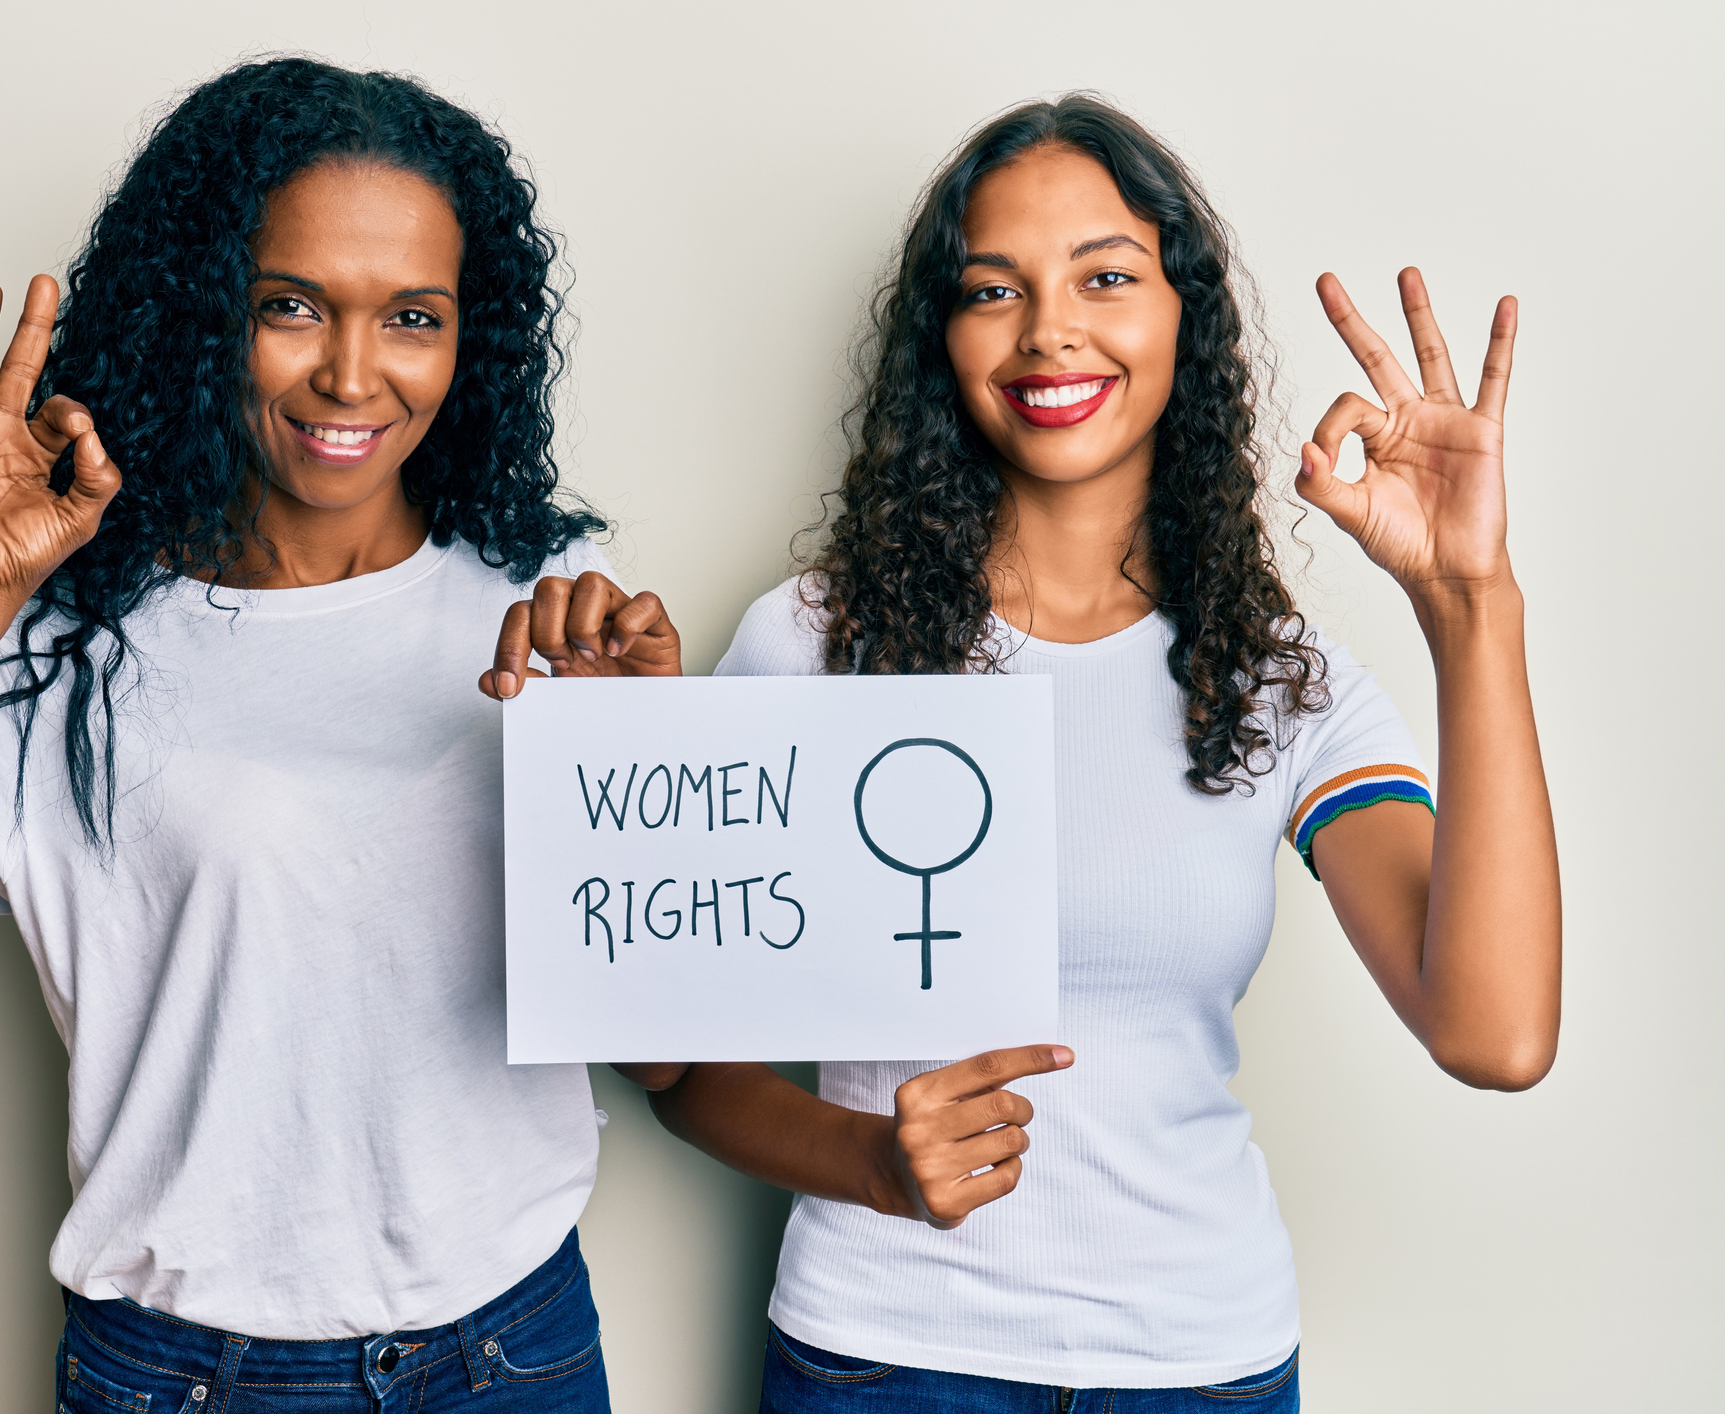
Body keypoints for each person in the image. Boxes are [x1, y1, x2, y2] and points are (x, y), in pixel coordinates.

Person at [486, 94, 1559, 1410]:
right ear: (942, 339)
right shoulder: (815, 640)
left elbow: (1495, 1034)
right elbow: (677, 1075)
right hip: (884, 1358)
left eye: (1104, 277)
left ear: (1184, 318)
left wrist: (1471, 602)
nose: (1050, 326)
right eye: (993, 288)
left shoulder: (1279, 680)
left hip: (1199, 1365)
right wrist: (877, 1161)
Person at [0, 57, 624, 1412]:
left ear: (465, 337)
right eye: (290, 306)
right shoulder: (56, 638)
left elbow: (658, 1028)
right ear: (204, 311)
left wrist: (634, 751)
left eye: (412, 315)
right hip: (195, 1377)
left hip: (517, 1347)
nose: (353, 373)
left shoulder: (547, 592)